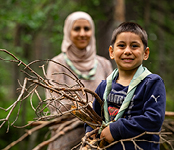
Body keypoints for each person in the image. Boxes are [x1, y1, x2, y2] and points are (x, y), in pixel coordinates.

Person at [84, 22, 166, 150]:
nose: (127, 51)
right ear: (111, 52)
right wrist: (90, 136)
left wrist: (116, 130)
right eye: (121, 46)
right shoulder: (104, 86)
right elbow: (93, 119)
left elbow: (153, 119)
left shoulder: (152, 83)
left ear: (145, 53)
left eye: (134, 46)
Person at [45, 11, 113, 150]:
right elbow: (54, 105)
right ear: (68, 31)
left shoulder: (104, 64)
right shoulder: (58, 64)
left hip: (99, 141)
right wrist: (89, 108)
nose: (82, 34)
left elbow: (114, 97)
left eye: (86, 29)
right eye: (77, 29)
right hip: (66, 139)